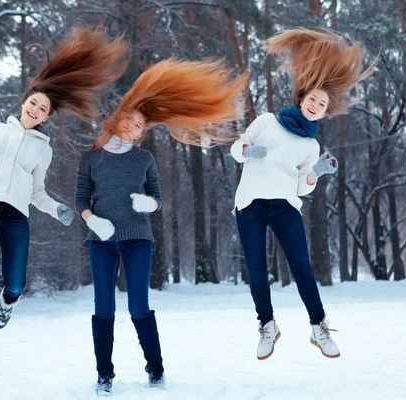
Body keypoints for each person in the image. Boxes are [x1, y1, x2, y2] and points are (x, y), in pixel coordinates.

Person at [0, 27, 130, 332]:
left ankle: (6, 305)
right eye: (33, 103)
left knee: (16, 281)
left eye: (42, 109)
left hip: (14, 217)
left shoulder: (43, 149)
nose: (35, 109)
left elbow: (37, 191)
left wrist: (57, 209)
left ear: (45, 118)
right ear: (24, 102)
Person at [74, 58, 248, 395]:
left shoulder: (145, 159)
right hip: (101, 241)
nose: (138, 131)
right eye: (135, 123)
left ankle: (156, 370)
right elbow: (80, 199)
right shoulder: (92, 158)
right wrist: (92, 220)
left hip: (138, 238)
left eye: (143, 128)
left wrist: (148, 204)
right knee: (103, 307)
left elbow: (158, 198)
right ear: (121, 118)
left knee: (138, 305)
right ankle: (104, 376)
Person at [230, 28, 377, 359]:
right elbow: (236, 149)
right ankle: (267, 326)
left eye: (322, 104)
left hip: (284, 207)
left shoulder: (311, 145)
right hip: (250, 206)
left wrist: (316, 172)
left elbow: (301, 187)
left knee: (301, 268)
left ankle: (319, 328)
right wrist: (247, 152)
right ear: (302, 98)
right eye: (312, 99)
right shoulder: (267, 122)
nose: (315, 105)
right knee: (255, 270)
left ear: (325, 113)